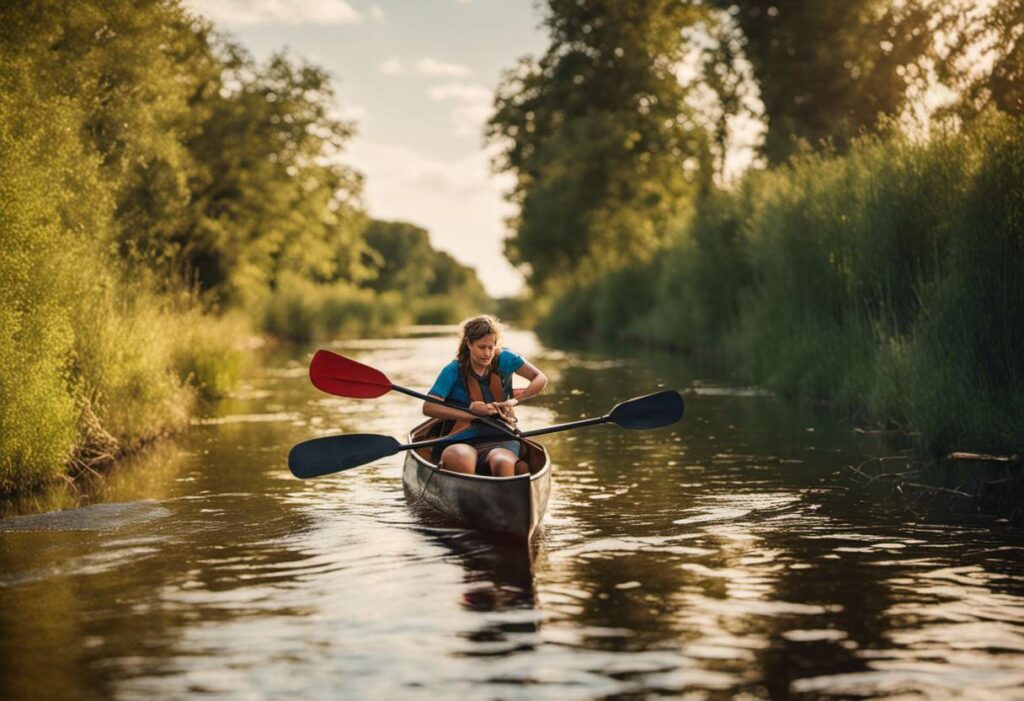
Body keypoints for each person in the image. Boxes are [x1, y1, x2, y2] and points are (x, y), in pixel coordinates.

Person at [423, 315, 548, 477]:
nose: (487, 353)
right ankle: (473, 491)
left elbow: (540, 378)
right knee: (461, 458)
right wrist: (471, 414)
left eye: (491, 347)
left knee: (502, 462)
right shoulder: (453, 370)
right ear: (468, 343)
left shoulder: (506, 358)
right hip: (461, 439)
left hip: (501, 436)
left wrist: (515, 400)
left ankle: (507, 487)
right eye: (482, 347)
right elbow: (429, 407)